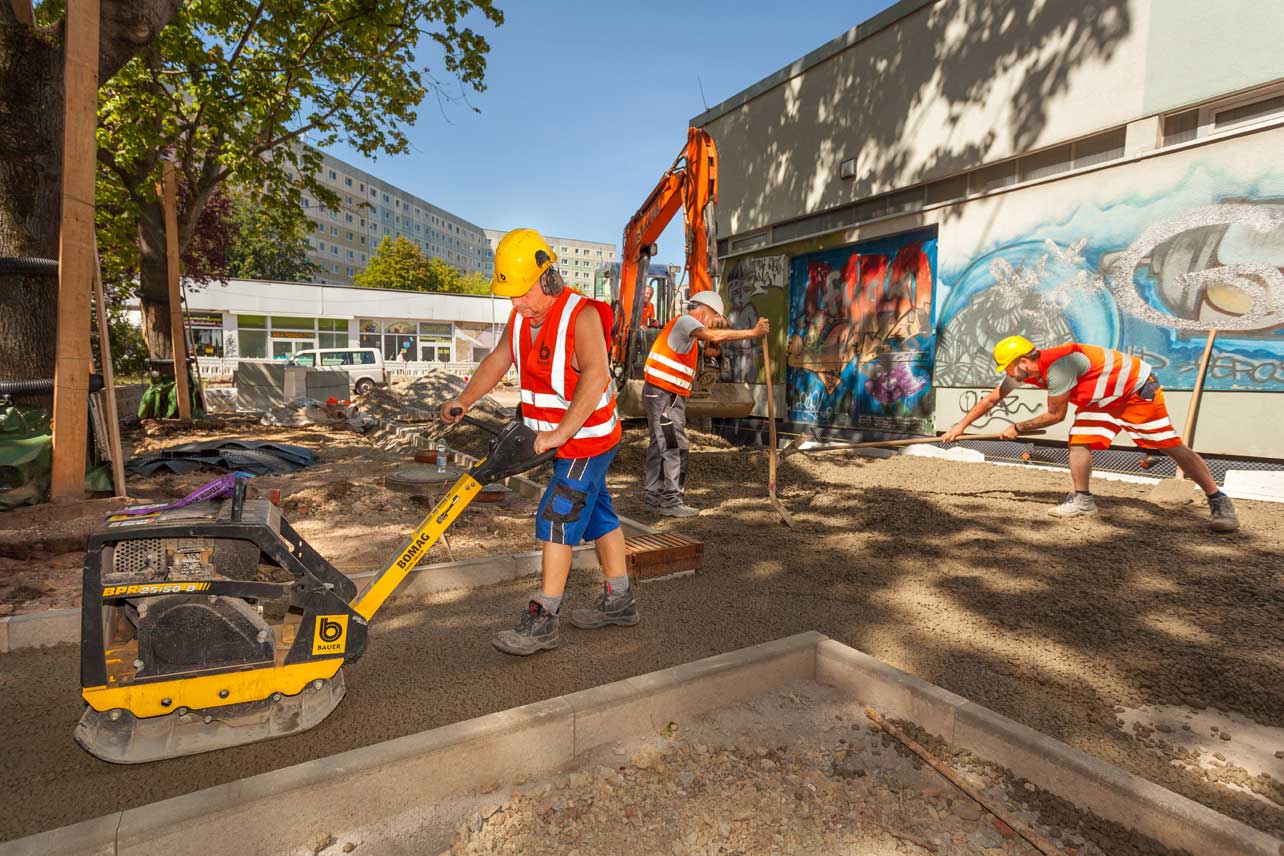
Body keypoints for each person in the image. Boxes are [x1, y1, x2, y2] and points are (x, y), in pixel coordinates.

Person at [439, 228, 636, 656]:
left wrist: (560, 434)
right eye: (509, 296)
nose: (516, 304)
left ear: (548, 280)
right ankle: (620, 599)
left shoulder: (580, 315)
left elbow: (598, 376)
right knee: (599, 514)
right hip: (558, 438)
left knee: (559, 514)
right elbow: (498, 358)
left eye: (523, 293)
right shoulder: (522, 318)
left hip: (587, 438)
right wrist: (465, 398)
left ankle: (545, 617)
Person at [942, 335, 1238, 531]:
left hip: (1135, 390)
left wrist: (1017, 427)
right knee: (1079, 441)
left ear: (1022, 362)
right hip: (1099, 398)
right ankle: (1082, 500)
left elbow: (1056, 415)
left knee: (1169, 446)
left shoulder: (1059, 367)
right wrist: (960, 426)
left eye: (1008, 369)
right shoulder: (1026, 373)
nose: (1007, 376)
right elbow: (992, 399)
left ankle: (1219, 500)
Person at [642, 291, 769, 516]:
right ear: (703, 311)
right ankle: (671, 500)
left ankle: (653, 495)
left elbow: (711, 338)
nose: (713, 322)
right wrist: (753, 332)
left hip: (659, 394)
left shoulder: (684, 328)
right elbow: (715, 336)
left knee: (659, 444)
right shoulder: (686, 321)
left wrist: (717, 326)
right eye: (713, 316)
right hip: (665, 395)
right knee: (674, 445)